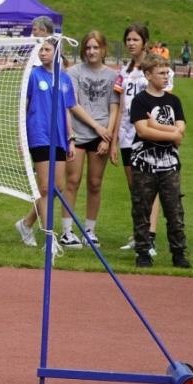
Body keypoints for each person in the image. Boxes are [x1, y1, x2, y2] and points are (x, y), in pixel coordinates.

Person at [15, 37, 82, 253]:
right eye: (40, 50)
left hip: (59, 138)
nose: (42, 53)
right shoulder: (33, 75)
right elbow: (23, 108)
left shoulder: (64, 80)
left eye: (46, 49)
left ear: (57, 52)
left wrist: (70, 138)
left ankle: (26, 224)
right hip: (39, 134)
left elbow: (66, 109)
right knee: (45, 187)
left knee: (57, 188)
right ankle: (49, 238)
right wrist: (21, 137)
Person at [127, 54, 191, 268]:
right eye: (161, 73)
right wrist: (172, 134)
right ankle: (143, 252)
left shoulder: (174, 101)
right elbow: (143, 131)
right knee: (141, 209)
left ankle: (179, 252)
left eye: (167, 73)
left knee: (174, 210)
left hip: (169, 165)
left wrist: (159, 126)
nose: (166, 76)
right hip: (144, 164)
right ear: (148, 75)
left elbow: (181, 128)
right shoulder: (140, 100)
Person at [113, 22, 170, 258]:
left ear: (144, 42)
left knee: (150, 187)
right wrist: (115, 137)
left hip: (149, 133)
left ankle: (150, 236)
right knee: (135, 188)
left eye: (135, 39)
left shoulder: (157, 66)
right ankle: (138, 234)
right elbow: (118, 105)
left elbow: (166, 98)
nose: (131, 43)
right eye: (128, 39)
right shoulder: (123, 71)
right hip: (127, 135)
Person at [64, 30, 119, 246]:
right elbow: (74, 103)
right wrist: (96, 126)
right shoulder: (73, 72)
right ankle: (67, 230)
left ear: (103, 49)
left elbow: (114, 107)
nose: (91, 51)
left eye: (96, 47)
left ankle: (90, 230)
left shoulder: (113, 76)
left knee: (95, 183)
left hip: (102, 134)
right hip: (79, 132)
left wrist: (107, 137)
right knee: (72, 180)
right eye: (88, 47)